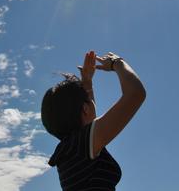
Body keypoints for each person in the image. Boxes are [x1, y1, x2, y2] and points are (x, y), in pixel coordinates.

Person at [41, 50, 146, 190]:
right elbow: (136, 93)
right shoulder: (80, 144)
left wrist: (87, 82)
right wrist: (117, 63)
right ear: (85, 109)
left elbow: (90, 118)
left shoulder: (70, 149)